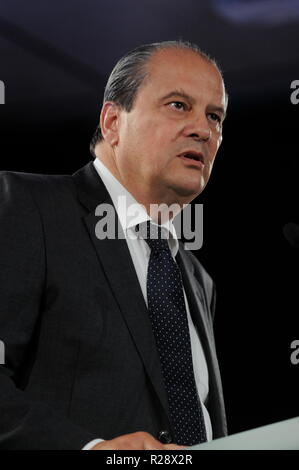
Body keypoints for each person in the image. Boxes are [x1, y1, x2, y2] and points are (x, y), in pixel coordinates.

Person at [0, 40, 227, 450]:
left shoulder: (198, 278)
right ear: (112, 122)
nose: (203, 129)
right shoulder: (27, 208)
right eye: (178, 105)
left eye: (215, 116)